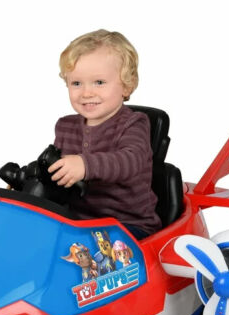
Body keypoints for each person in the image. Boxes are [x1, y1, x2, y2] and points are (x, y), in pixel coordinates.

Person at [48, 29, 162, 240]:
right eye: (76, 83)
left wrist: (85, 165)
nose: (86, 93)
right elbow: (57, 172)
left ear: (126, 86)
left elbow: (131, 160)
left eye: (99, 82)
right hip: (76, 222)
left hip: (127, 226)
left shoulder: (134, 123)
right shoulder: (65, 126)